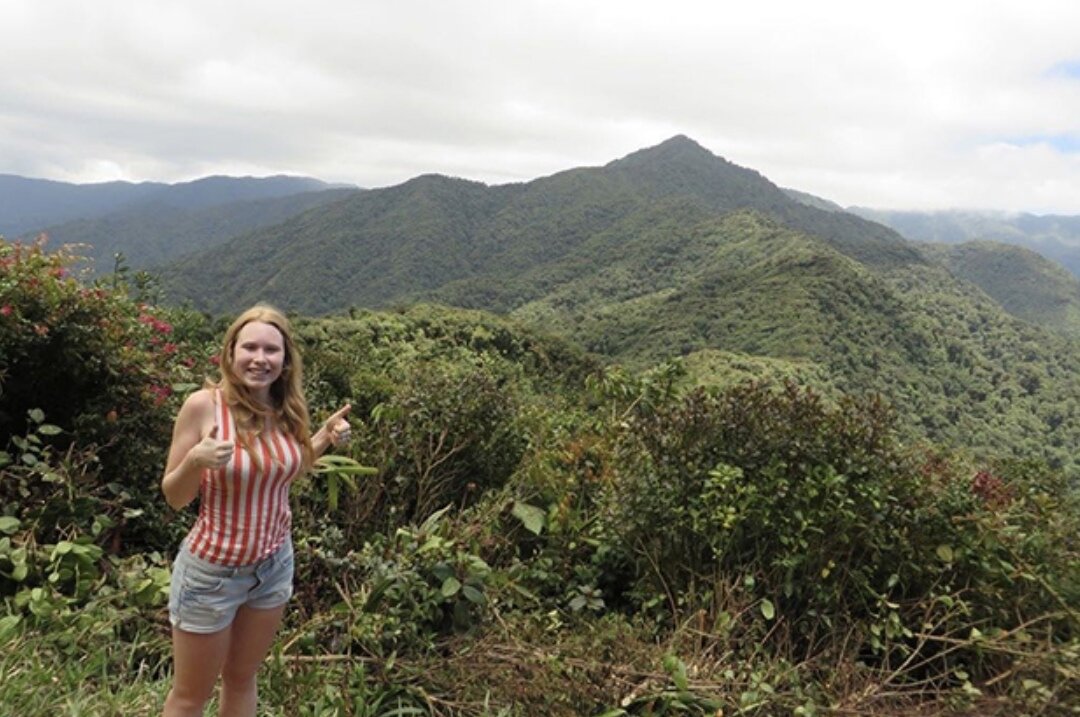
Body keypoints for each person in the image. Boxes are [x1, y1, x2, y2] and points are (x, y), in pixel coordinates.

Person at [160, 305, 351, 717]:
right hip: (213, 573)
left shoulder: (286, 409)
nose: (260, 358)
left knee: (243, 678)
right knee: (190, 696)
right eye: (250, 347)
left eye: (271, 350)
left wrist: (323, 436)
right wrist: (196, 460)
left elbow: (284, 471)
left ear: (285, 361)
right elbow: (174, 497)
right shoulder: (203, 407)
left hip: (273, 566)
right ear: (230, 353)